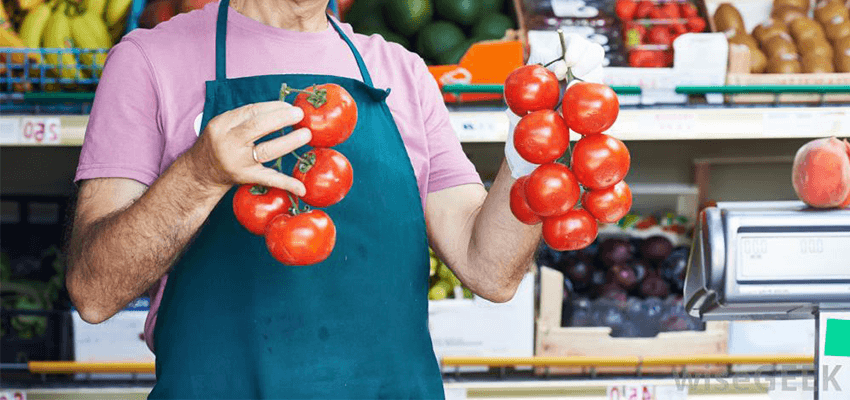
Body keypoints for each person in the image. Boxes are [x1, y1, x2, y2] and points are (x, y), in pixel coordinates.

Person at [65, 0, 604, 397]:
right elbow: (94, 291)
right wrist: (199, 175)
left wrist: (534, 146)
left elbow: (491, 270)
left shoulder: (403, 74)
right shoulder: (148, 61)